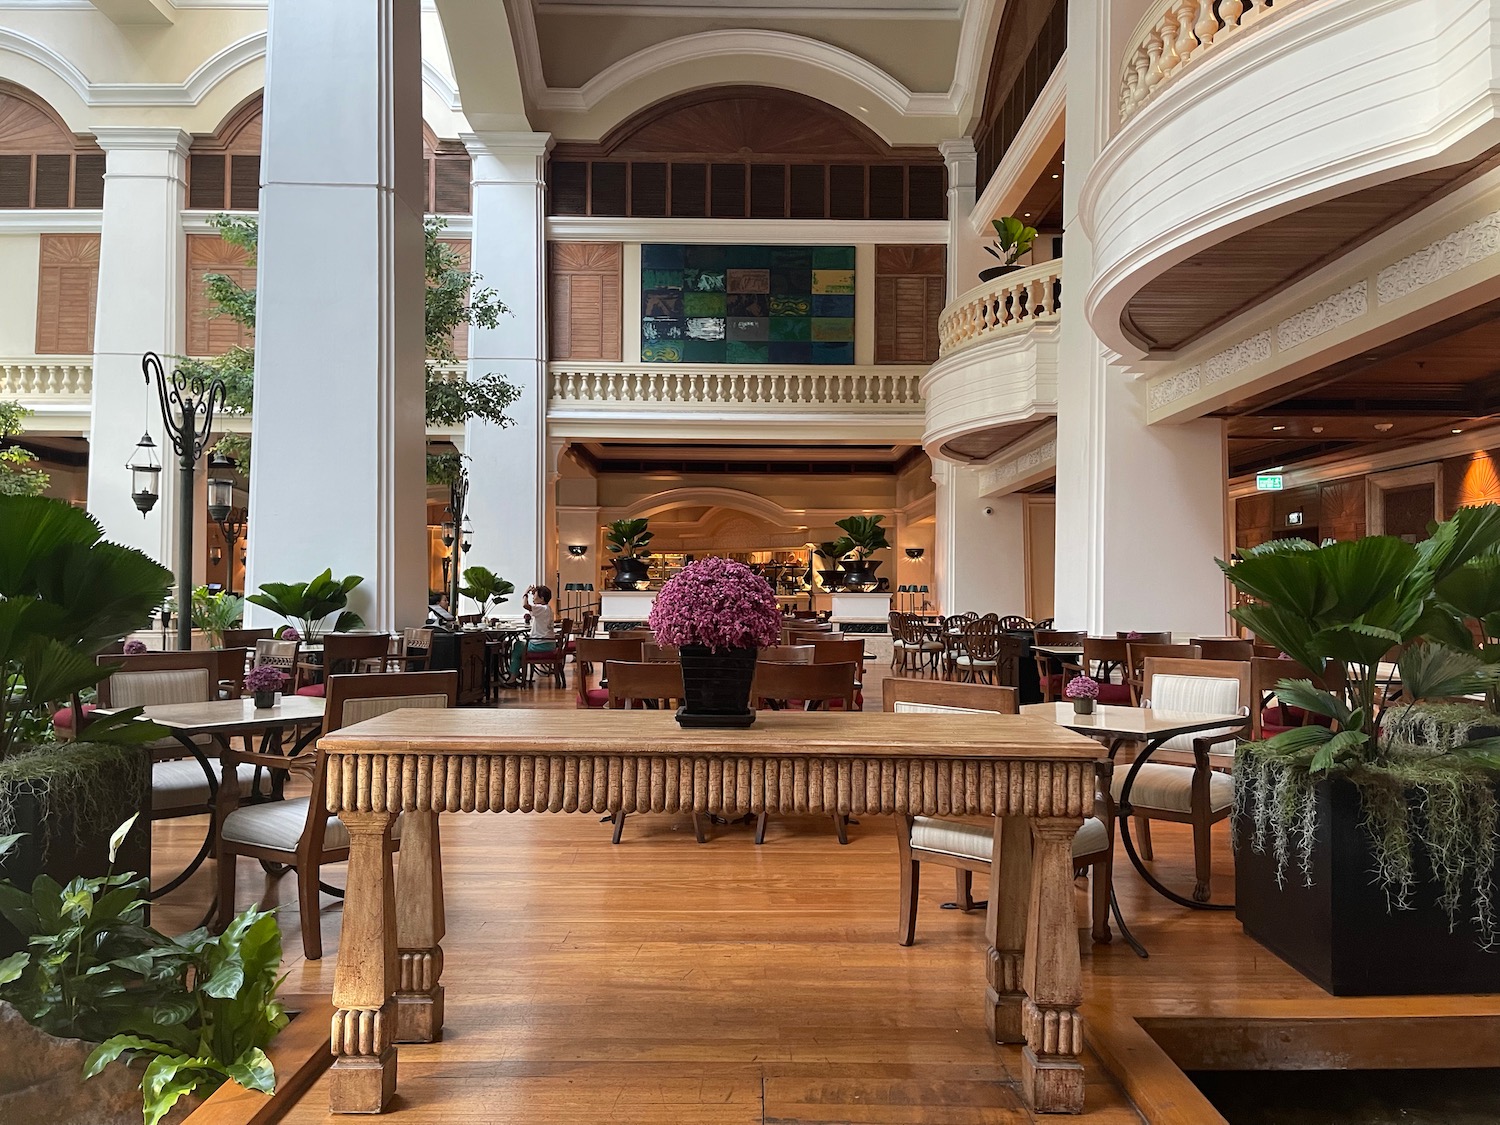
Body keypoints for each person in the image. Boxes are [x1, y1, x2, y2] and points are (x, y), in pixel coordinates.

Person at [509, 584, 558, 679]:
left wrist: (525, 593)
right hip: (550, 644)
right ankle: (515, 672)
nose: (533, 598)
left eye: (535, 596)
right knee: (520, 646)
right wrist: (535, 592)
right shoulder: (548, 609)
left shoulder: (541, 608)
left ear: (542, 598)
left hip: (540, 645)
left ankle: (513, 677)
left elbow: (525, 605)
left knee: (517, 645)